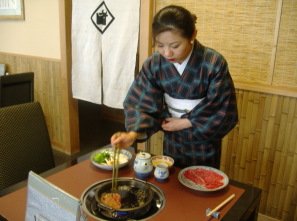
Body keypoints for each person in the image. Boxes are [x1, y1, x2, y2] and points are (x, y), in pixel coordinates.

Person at [111, 5, 238, 169]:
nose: (167, 53)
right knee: (171, 178)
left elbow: (222, 107)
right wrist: (132, 135)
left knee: (202, 182)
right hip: (172, 135)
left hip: (203, 138)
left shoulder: (213, 63)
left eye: (175, 45)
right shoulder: (154, 63)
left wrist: (187, 121)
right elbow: (142, 101)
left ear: (193, 35)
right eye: (160, 45)